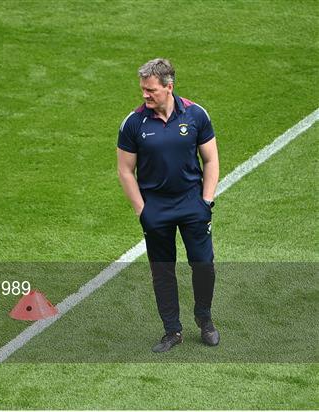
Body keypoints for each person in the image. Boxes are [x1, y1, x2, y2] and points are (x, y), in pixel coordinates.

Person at [117, 58, 220, 353]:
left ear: (169, 87)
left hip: (192, 204)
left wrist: (207, 200)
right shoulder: (134, 123)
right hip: (156, 209)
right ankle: (172, 330)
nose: (145, 95)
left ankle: (205, 319)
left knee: (204, 265)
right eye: (143, 90)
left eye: (151, 90)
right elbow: (125, 170)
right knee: (162, 271)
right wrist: (142, 210)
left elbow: (211, 159)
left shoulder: (196, 115)